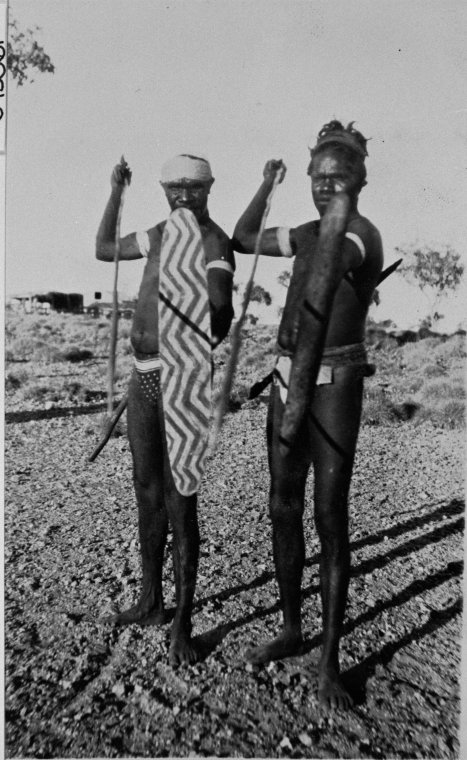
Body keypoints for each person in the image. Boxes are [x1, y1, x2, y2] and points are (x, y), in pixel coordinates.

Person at [232, 121, 383, 709]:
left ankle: (329, 662)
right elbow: (245, 238)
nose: (325, 187)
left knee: (329, 514)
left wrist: (331, 222)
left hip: (333, 383)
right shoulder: (305, 231)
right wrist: (268, 185)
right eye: (318, 177)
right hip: (284, 379)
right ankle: (293, 627)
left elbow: (332, 265)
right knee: (282, 504)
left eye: (337, 176)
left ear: (360, 180)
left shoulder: (359, 236)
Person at [96, 153, 235, 665]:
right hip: (144, 376)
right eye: (173, 187)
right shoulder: (155, 235)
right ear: (162, 189)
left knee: (181, 496)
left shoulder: (214, 241)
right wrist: (116, 193)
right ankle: (151, 602)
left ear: (208, 189)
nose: (182, 195)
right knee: (146, 489)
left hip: (184, 380)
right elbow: (105, 249)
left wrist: (196, 320)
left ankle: (183, 623)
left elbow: (220, 315)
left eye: (191, 188)